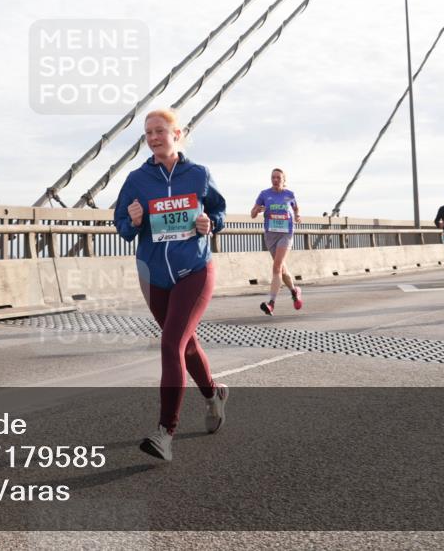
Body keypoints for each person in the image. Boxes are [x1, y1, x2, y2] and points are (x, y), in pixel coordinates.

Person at [114, 108, 228, 462]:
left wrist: (212, 223)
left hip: (194, 269)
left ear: (177, 133)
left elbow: (219, 212)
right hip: (153, 275)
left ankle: (165, 432)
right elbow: (120, 224)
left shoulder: (198, 174)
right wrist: (132, 222)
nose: (152, 138)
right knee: (185, 345)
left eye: (159, 131)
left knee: (170, 344)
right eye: (148, 133)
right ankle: (213, 394)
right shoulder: (136, 180)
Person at [251, 169, 303, 315]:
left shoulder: (289, 194)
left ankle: (271, 303)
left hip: (286, 234)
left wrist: (298, 216)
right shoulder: (264, 194)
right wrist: (257, 211)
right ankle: (294, 291)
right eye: (273, 177)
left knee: (277, 267)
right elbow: (252, 213)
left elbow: (296, 208)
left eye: (278, 177)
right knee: (281, 269)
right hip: (271, 235)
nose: (275, 180)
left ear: (283, 179)